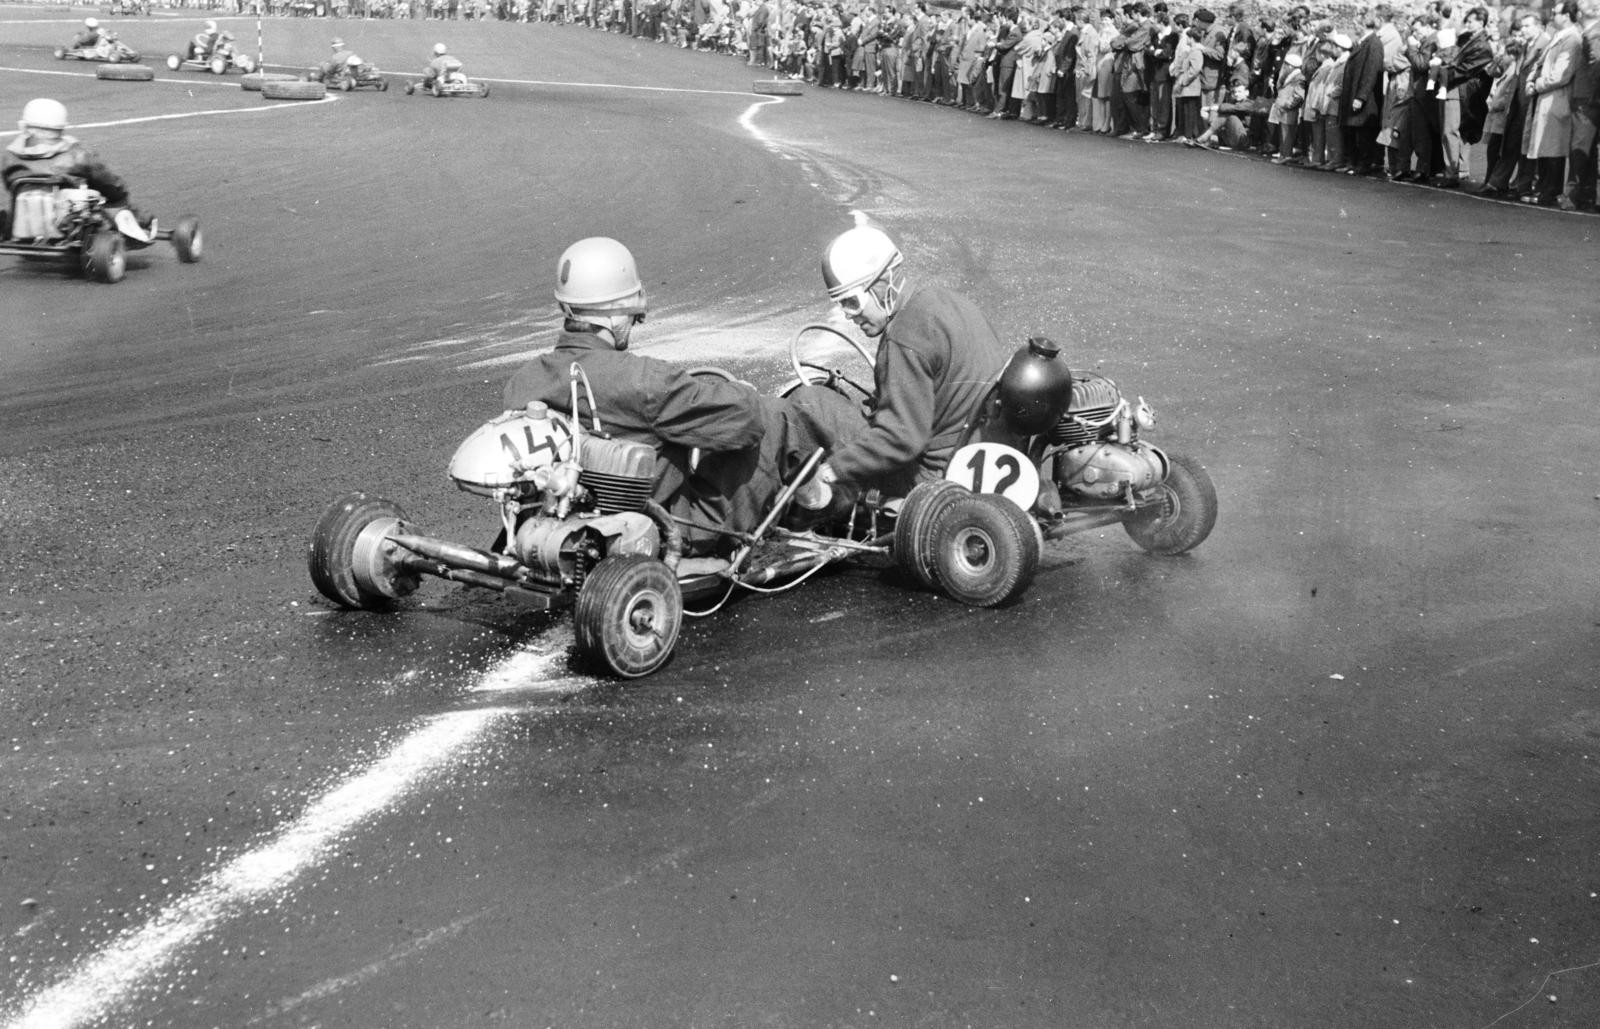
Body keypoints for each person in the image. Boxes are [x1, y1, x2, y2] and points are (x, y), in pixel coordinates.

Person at [502, 238, 864, 555]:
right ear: (613, 315)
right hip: (668, 527)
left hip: (569, 518)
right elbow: (748, 419)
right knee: (775, 417)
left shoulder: (523, 382)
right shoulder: (644, 380)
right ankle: (824, 505)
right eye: (629, 312)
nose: (633, 321)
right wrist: (739, 393)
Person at [802, 224, 1012, 508]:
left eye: (852, 302)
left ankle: (810, 510)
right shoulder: (949, 302)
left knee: (813, 402)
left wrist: (832, 469)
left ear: (882, 285)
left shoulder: (905, 336)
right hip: (981, 454)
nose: (850, 316)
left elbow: (900, 438)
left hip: (935, 478)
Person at [2, 99, 150, 241]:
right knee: (114, 198)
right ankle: (144, 222)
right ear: (60, 128)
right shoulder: (77, 155)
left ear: (24, 126)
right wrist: (119, 194)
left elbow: (8, 184)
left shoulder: (10, 157)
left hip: (23, 217)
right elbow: (108, 181)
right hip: (68, 222)